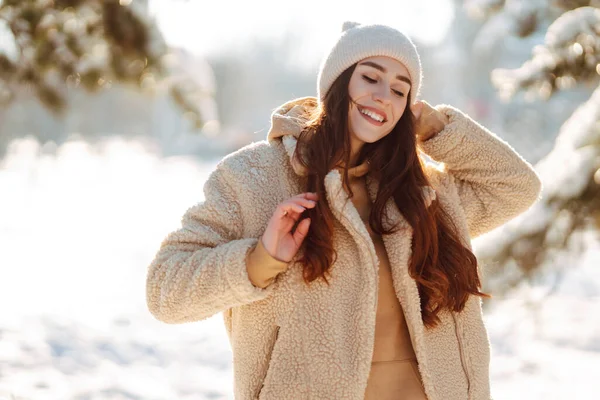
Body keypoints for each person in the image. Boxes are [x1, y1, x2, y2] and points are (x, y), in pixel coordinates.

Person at [146, 21, 542, 400]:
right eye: (370, 78)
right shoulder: (254, 178)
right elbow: (165, 290)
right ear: (337, 83)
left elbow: (517, 186)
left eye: (400, 90)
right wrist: (259, 260)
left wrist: (441, 130)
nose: (384, 96)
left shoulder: (420, 191)